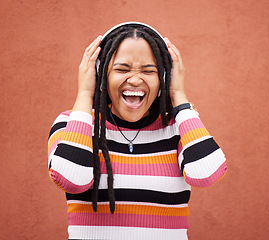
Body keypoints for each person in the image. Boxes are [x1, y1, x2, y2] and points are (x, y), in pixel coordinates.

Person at [48, 22, 227, 240]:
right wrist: (86, 92)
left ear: (163, 78)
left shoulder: (178, 128)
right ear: (101, 74)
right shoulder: (72, 123)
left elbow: (207, 174)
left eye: (148, 71)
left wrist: (179, 95)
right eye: (122, 69)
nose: (134, 79)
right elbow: (71, 179)